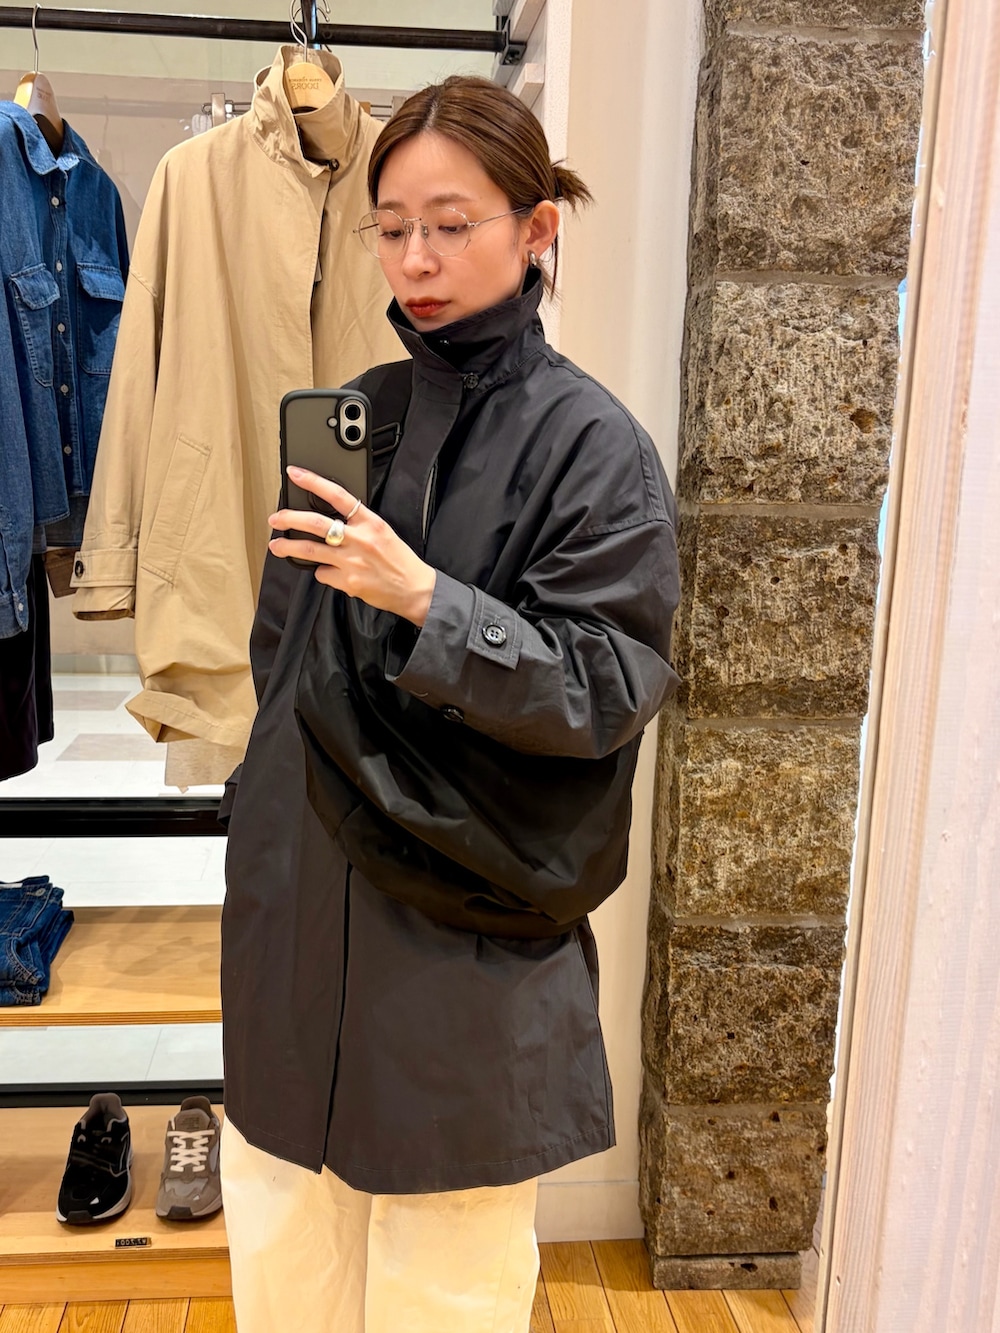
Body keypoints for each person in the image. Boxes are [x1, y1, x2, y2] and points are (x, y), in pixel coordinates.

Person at [218, 75, 680, 1333]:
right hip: (298, 916)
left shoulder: (592, 446)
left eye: (451, 224)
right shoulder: (359, 411)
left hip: (463, 936)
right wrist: (259, 825)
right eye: (392, 226)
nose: (415, 259)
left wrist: (428, 599)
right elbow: (281, 657)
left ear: (535, 230)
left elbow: (605, 686)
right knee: (286, 1265)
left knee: (445, 1280)